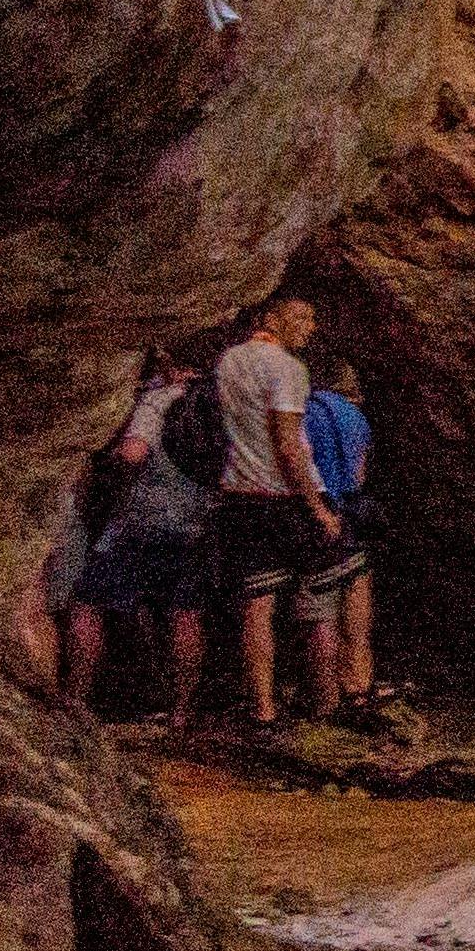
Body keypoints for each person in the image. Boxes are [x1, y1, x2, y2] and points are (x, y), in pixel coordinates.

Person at [203, 289, 341, 737]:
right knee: (323, 592)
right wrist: (316, 507)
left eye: (313, 318)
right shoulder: (288, 368)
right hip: (283, 498)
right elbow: (287, 444)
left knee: (256, 605)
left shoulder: (227, 362)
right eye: (301, 317)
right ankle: (327, 704)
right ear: (272, 318)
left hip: (240, 494)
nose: (310, 327)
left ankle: (263, 708)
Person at [64, 354, 211, 729]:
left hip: (138, 522)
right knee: (185, 614)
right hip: (195, 522)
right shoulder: (217, 398)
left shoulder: (158, 399)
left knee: (87, 604)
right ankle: (181, 712)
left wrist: (102, 463)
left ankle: (75, 701)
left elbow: (134, 453)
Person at [298, 349, 380, 722]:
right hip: (354, 519)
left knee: (321, 616)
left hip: (319, 518)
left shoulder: (303, 414)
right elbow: (359, 476)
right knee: (357, 611)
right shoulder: (356, 417)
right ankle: (359, 691)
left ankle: (325, 704)